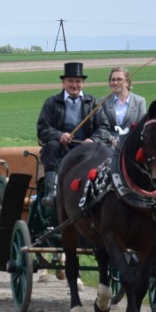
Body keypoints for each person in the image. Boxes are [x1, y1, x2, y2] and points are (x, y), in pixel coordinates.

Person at [36, 62, 110, 207]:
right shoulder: (52, 103)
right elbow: (42, 128)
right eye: (70, 81)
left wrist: (93, 139)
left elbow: (104, 126)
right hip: (61, 148)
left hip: (86, 148)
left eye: (78, 81)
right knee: (51, 147)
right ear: (63, 83)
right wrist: (59, 135)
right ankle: (51, 192)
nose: (74, 85)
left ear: (83, 83)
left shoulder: (93, 102)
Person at [100, 66, 147, 147]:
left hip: (132, 146)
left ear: (127, 82)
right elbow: (101, 127)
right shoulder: (103, 102)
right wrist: (111, 139)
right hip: (109, 145)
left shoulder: (139, 101)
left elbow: (141, 127)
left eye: (119, 79)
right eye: (113, 80)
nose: (115, 83)